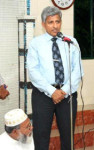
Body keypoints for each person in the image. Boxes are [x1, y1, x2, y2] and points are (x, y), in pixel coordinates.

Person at [27, 6, 83, 150]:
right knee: (41, 134)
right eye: (50, 22)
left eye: (57, 21)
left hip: (67, 95)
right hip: (43, 95)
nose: (55, 26)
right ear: (43, 24)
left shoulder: (71, 42)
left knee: (67, 134)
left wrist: (63, 90)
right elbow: (33, 71)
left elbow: (77, 70)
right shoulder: (35, 43)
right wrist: (52, 91)